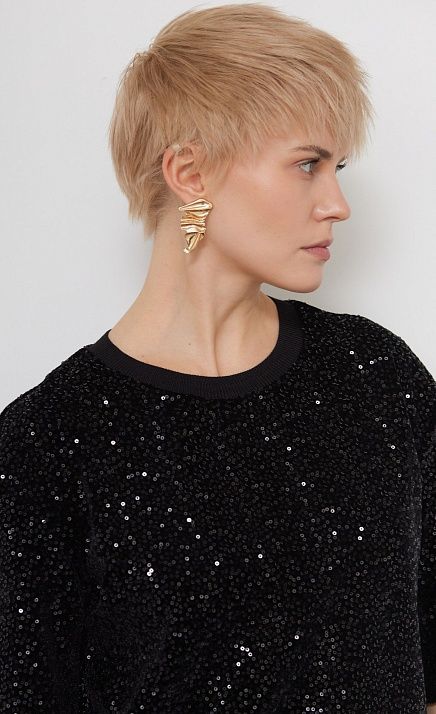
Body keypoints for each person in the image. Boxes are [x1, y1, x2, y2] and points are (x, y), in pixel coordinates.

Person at [1, 4, 435, 712]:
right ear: (190, 173)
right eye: (307, 164)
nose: (337, 204)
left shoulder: (377, 376)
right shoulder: (49, 441)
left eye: (338, 167)